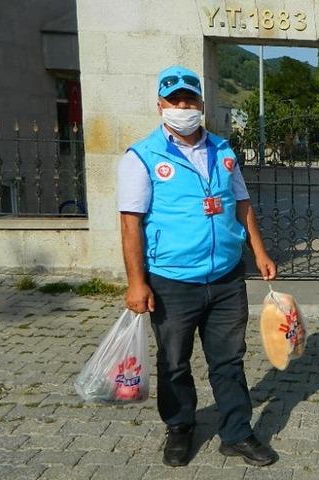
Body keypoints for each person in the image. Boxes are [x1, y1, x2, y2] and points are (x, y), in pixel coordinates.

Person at [117, 65, 278, 467]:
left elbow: (242, 204)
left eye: (190, 100)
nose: (183, 107)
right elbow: (130, 223)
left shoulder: (223, 150)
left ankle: (236, 433)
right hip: (172, 281)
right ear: (161, 105)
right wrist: (137, 282)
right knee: (174, 362)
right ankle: (180, 427)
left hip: (226, 277)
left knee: (228, 360)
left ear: (201, 104)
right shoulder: (142, 156)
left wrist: (259, 252)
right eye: (175, 101)